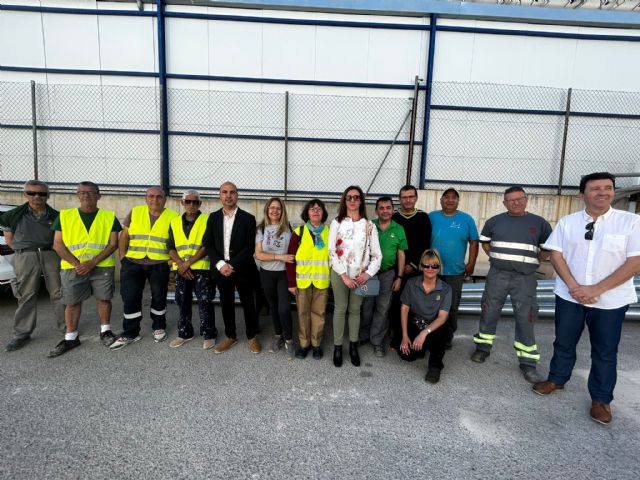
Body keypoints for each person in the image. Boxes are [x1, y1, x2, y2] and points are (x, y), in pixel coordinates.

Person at [532, 172, 640, 426]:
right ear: (582, 195)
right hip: (570, 296)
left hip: (610, 301)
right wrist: (574, 287)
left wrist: (596, 289)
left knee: (605, 350)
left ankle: (601, 399)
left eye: (608, 188)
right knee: (564, 341)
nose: (602, 192)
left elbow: (635, 261)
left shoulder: (631, 222)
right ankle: (557, 379)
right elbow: (556, 255)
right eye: (595, 188)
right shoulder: (568, 223)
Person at [471, 186, 552, 383]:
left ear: (526, 199)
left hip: (525, 278)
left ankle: (528, 362)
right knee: (489, 311)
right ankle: (482, 348)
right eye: (511, 199)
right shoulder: (494, 221)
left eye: (520, 198)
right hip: (497, 275)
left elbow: (546, 249)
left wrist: (532, 262)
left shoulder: (540, 223)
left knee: (526, 317)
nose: (516, 202)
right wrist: (496, 258)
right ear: (504, 203)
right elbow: (485, 243)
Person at [48, 181, 121, 357]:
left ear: (99, 196)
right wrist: (77, 264)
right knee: (72, 302)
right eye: (82, 192)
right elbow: (57, 244)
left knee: (104, 299)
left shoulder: (109, 217)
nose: (86, 195)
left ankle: (105, 331)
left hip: (101, 266)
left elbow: (113, 244)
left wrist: (92, 263)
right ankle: (71, 337)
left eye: (90, 192)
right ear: (77, 195)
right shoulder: (65, 216)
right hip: (73, 267)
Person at [111, 187, 179, 350]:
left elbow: (176, 241)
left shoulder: (173, 217)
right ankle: (130, 333)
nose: (155, 200)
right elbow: (124, 236)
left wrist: (171, 262)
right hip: (133, 263)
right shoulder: (135, 212)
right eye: (151, 196)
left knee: (159, 296)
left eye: (159, 197)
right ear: (146, 198)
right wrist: (123, 257)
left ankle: (159, 327)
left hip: (159, 264)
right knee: (130, 297)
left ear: (165, 199)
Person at [1, 180, 65, 352]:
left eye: (42, 193)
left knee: (59, 293)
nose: (37, 196)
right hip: (26, 256)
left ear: (47, 196)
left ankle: (67, 329)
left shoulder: (56, 216)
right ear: (25, 194)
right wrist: (25, 253)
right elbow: (9, 240)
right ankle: (21, 334)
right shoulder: (12, 215)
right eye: (32, 193)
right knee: (26, 294)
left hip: (50, 254)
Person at [202, 182, 261, 354]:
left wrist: (232, 265)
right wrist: (221, 265)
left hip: (243, 268)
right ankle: (231, 336)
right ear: (220, 195)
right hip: (221, 270)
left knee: (248, 303)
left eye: (232, 192)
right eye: (225, 192)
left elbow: (250, 247)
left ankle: (252, 336)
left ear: (237, 195)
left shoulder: (248, 218)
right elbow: (208, 243)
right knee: (226, 303)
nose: (228, 195)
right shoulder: (213, 217)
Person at [328, 186, 382, 367]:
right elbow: (331, 251)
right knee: (340, 308)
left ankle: (353, 346)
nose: (352, 200)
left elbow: (377, 255)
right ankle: (337, 347)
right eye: (349, 197)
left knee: (355, 309)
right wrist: (343, 275)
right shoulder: (336, 223)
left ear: (361, 201)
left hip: (360, 276)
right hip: (340, 273)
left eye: (356, 197)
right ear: (344, 200)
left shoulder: (369, 225)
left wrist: (368, 274)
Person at [429, 188, 479, 348]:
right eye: (446, 197)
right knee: (431, 304)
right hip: (432, 271)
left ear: (458, 201)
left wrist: (471, 263)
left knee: (451, 306)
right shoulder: (432, 217)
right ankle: (431, 334)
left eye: (454, 198)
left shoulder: (466, 219)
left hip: (455, 272)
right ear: (441, 200)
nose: (450, 200)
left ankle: (448, 336)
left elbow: (474, 242)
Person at [167, 190, 217, 350]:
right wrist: (181, 264)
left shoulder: (207, 220)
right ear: (182, 203)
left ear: (200, 204)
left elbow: (207, 245)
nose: (191, 204)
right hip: (181, 269)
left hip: (202, 268)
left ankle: (209, 334)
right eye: (188, 201)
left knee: (205, 301)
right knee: (182, 301)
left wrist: (187, 263)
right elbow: (170, 247)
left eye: (195, 202)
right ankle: (184, 333)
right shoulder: (174, 222)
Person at [359, 196, 407, 357]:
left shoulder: (399, 229)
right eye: (381, 208)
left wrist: (399, 277)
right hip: (369, 274)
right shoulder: (369, 226)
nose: (385, 211)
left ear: (393, 210)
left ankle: (377, 340)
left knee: (383, 307)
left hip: (388, 274)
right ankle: (363, 335)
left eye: (388, 208)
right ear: (376, 211)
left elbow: (401, 254)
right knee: (366, 306)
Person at [286, 199, 330, 360]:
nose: (316, 211)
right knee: (303, 314)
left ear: (323, 213)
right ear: (307, 213)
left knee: (319, 314)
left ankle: (316, 344)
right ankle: (304, 345)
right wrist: (291, 283)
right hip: (302, 283)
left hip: (322, 282)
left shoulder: (330, 232)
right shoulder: (298, 233)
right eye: (312, 209)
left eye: (319, 209)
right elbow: (290, 260)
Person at [399, 249, 452, 384]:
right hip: (416, 321)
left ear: (439, 268)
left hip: (435, 324)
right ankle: (423, 346)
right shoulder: (411, 283)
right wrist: (405, 336)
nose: (430, 269)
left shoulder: (446, 289)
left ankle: (435, 366)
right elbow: (404, 309)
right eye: (426, 265)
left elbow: (442, 317)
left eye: (434, 265)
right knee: (407, 356)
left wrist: (424, 333)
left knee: (442, 334)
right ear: (421, 266)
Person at [389, 184, 432, 349]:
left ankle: (413, 335)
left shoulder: (423, 217)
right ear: (399, 199)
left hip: (415, 269)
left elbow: (425, 243)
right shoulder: (393, 217)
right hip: (396, 269)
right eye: (404, 197)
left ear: (416, 198)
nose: (407, 200)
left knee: (414, 304)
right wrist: (399, 268)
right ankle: (396, 336)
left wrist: (413, 264)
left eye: (411, 197)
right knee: (396, 303)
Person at [255, 197, 295, 359]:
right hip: (266, 273)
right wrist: (280, 257)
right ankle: (278, 335)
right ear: (267, 209)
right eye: (272, 207)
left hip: (284, 274)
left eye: (278, 208)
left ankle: (289, 340)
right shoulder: (261, 229)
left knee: (284, 308)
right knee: (273, 306)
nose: (275, 211)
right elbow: (259, 254)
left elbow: (293, 252)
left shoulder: (288, 227)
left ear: (282, 211)